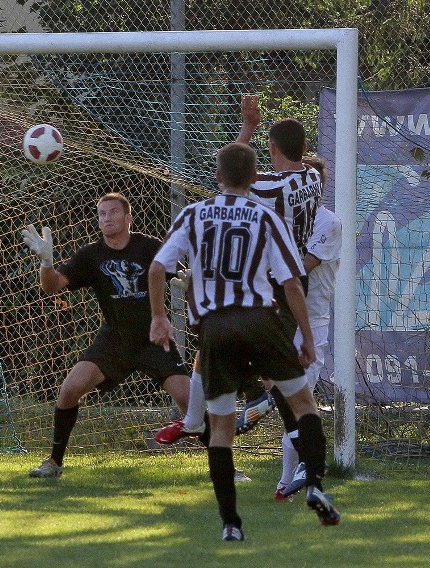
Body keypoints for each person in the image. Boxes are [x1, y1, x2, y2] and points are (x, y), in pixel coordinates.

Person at [149, 142, 341, 541]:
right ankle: (316, 487)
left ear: (217, 178)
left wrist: (159, 317)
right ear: (255, 179)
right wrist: (305, 337)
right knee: (304, 404)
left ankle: (231, 524)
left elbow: (157, 267)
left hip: (215, 328)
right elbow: (290, 283)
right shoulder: (265, 216)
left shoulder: (193, 214)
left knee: (220, 429)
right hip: (260, 321)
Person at [155, 94, 322, 445]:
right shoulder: (311, 178)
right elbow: (239, 170)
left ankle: (258, 395)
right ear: (304, 148)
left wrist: (247, 129)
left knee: (248, 351)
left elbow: (234, 171)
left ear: (273, 150)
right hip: (290, 276)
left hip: (277, 281)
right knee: (210, 347)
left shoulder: (272, 187)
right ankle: (192, 419)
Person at [21, 192, 193, 478]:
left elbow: (180, 273)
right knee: (69, 390)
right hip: (114, 341)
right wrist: (46, 262)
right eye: (102, 214)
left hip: (153, 338)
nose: (107, 218)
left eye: (113, 212)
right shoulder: (91, 255)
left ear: (128, 217)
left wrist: (190, 283)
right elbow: (52, 287)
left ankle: (227, 466)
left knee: (190, 400)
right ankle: (54, 462)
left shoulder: (148, 246)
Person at [276, 157, 342, 501]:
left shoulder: (328, 222)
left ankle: (287, 482)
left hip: (310, 324)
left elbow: (300, 269)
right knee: (288, 400)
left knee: (300, 400)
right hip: (274, 318)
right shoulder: (280, 218)